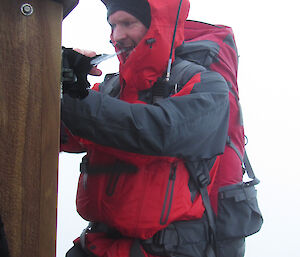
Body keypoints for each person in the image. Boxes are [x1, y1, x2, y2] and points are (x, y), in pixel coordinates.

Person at [61, 0, 262, 256]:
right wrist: (61, 80)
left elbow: (156, 131)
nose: (117, 35)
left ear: (156, 27)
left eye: (127, 23)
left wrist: (75, 97)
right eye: (112, 25)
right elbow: (63, 135)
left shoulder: (207, 85)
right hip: (99, 244)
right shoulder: (111, 89)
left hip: (170, 249)